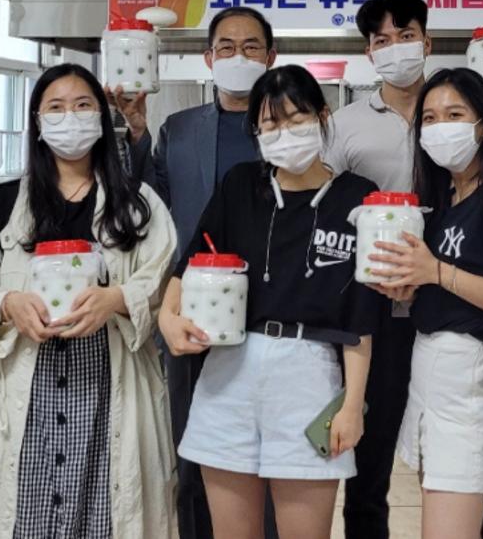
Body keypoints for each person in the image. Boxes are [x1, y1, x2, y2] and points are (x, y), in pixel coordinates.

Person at [0, 63, 179, 539]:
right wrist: (8, 303)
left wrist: (117, 298)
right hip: (27, 385)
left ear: (101, 118)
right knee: (23, 517)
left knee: (109, 517)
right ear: (37, 122)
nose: (70, 117)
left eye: (83, 105)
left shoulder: (138, 203)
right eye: (56, 107)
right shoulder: (3, 204)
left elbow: (162, 282)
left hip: (107, 381)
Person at [158, 64, 385, 539]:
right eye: (271, 124)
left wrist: (352, 405)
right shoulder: (241, 185)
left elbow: (361, 316)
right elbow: (193, 260)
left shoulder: (358, 198)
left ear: (323, 117)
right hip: (229, 374)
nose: (285, 133)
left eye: (297, 119)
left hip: (310, 377)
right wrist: (167, 315)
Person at [325, 0, 483, 539]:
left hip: (451, 312)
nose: (395, 48)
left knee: (470, 467)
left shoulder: (455, 111)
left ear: (426, 42)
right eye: (382, 40)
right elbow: (330, 215)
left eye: (405, 36)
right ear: (369, 51)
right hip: (377, 319)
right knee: (369, 466)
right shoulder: (345, 125)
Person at [108, 6, 278, 539]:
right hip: (193, 314)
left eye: (251, 47)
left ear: (270, 57)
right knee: (193, 456)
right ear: (208, 58)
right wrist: (137, 132)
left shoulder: (287, 128)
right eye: (226, 47)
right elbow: (148, 202)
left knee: (269, 462)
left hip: (271, 314)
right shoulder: (179, 130)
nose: (238, 56)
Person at [369, 67, 483, 539]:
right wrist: (411, 286)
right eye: (430, 118)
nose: (440, 127)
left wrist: (436, 272)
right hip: (428, 366)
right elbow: (441, 281)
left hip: (466, 375)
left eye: (454, 114)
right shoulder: (443, 197)